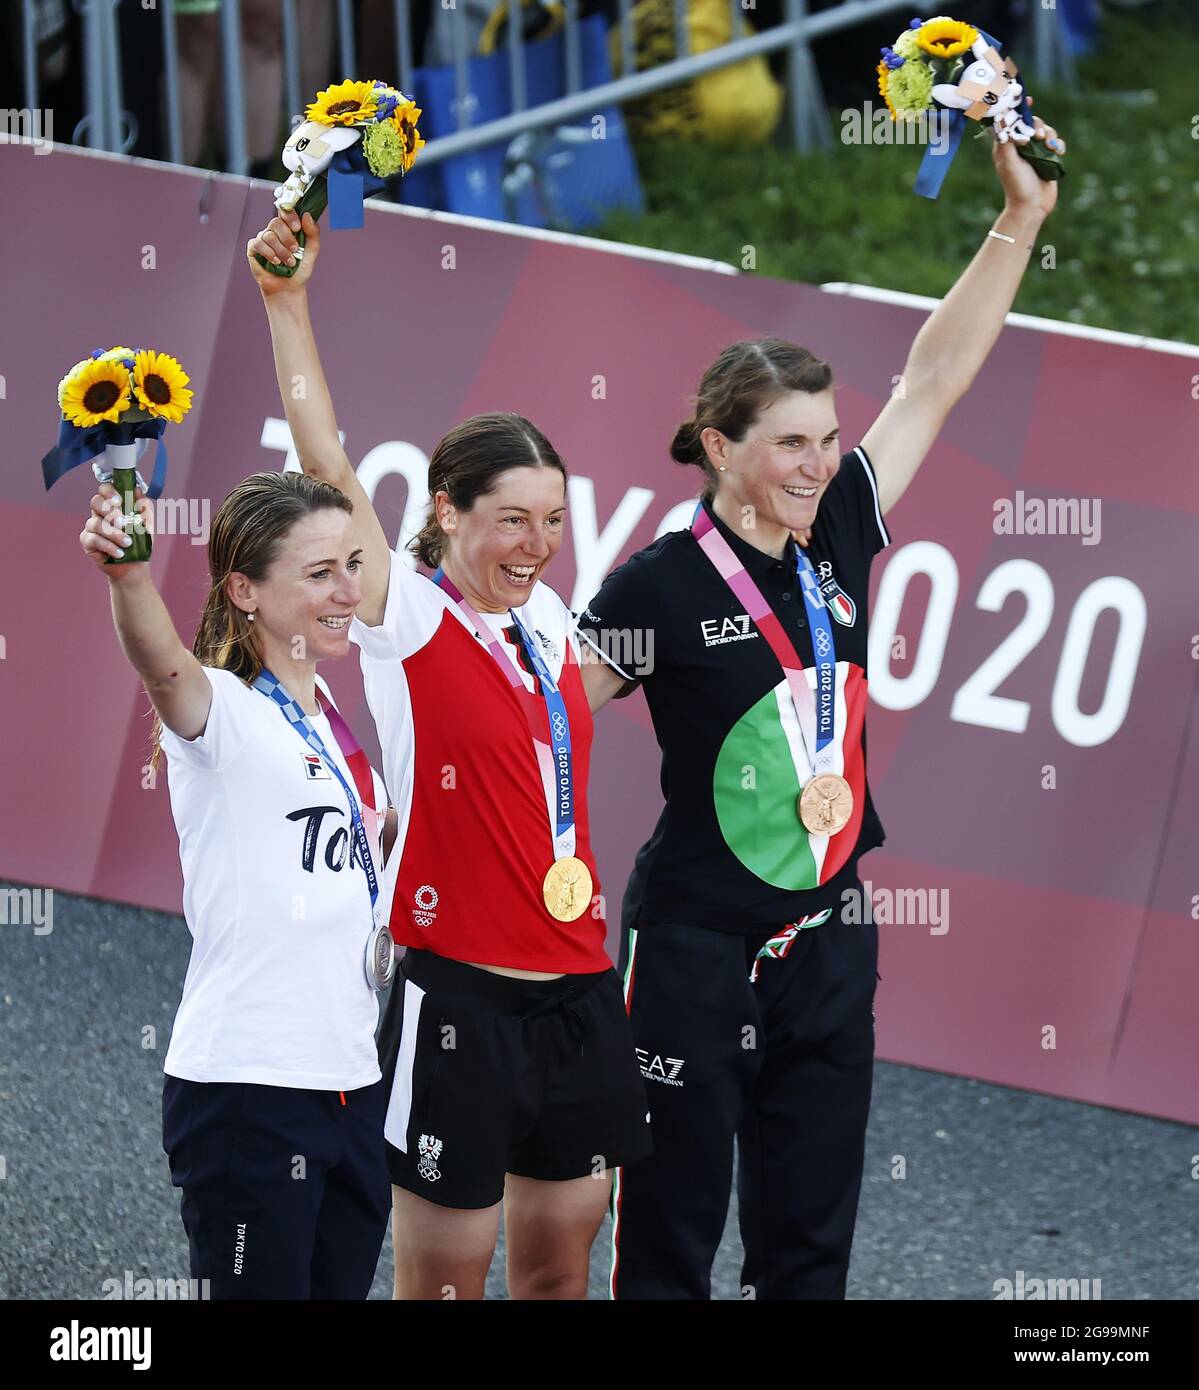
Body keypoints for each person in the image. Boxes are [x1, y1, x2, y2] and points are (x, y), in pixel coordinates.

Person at [578, 114, 1068, 1299]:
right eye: (788, 443)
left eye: (827, 438)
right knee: (670, 1238)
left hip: (828, 937)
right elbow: (541, 713)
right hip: (693, 944)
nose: (815, 461)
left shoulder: (839, 521)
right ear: (717, 445)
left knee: (808, 1245)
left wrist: (1019, 219)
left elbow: (936, 377)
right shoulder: (654, 582)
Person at [246, 208, 651, 1300]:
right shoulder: (409, 615)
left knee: (561, 1271)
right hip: (457, 994)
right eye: (511, 520)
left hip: (575, 980)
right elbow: (326, 463)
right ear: (446, 512)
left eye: (553, 520)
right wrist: (288, 303)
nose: (536, 545)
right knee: (444, 1287)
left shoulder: (554, 622)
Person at [79, 469, 395, 1299]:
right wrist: (129, 576)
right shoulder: (222, 709)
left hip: (350, 1079)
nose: (347, 590)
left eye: (353, 565)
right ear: (244, 590)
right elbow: (162, 664)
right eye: (320, 572)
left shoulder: (326, 710)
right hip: (252, 1087)